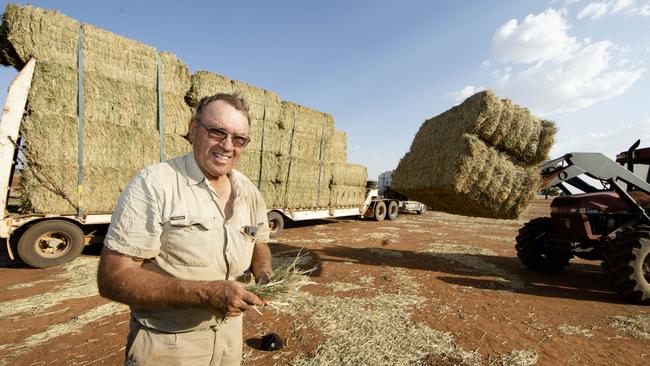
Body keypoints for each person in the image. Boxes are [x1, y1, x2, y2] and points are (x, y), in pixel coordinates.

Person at [97, 93, 274, 366]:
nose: (227, 146)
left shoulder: (249, 192)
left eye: (239, 139)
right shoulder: (154, 184)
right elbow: (113, 277)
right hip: (168, 346)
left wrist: (263, 272)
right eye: (217, 132)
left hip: (230, 340)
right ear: (193, 129)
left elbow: (259, 243)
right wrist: (205, 293)